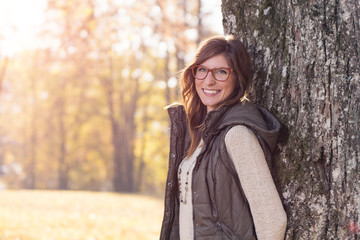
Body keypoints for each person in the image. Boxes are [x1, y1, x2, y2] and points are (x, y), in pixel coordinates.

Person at [160, 35, 287, 240]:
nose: (209, 80)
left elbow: (272, 221)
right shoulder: (197, 135)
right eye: (202, 70)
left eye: (221, 72)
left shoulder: (237, 135)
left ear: (237, 78)